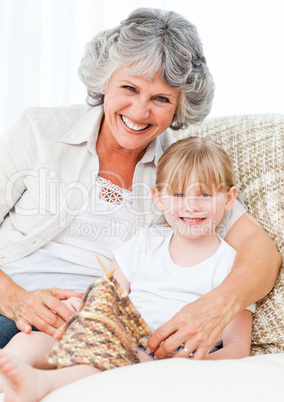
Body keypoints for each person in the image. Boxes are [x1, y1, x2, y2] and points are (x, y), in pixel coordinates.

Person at [0, 7, 281, 357]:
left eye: (161, 99)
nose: (139, 111)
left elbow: (262, 253)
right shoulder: (39, 130)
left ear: (180, 108)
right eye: (129, 88)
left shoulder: (178, 174)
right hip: (10, 303)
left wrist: (216, 305)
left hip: (87, 327)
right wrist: (14, 299)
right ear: (105, 81)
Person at [0, 137, 254, 401]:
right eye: (178, 194)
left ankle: (42, 383)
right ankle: (9, 367)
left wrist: (188, 366)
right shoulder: (144, 244)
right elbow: (108, 298)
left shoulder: (231, 267)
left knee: (107, 358)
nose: (191, 205)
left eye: (204, 194)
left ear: (228, 198)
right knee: (39, 338)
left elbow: (237, 346)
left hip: (157, 357)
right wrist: (83, 309)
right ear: (159, 198)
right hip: (121, 333)